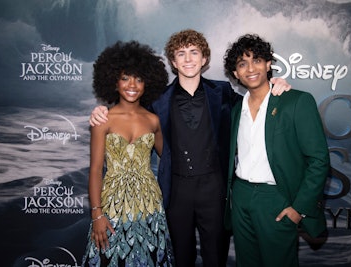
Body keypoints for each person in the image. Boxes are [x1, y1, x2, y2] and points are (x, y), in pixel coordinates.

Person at [89, 29, 291, 267]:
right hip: (176, 192)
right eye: (181, 54)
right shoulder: (158, 100)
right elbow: (129, 108)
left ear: (204, 59)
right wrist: (101, 109)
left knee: (215, 259)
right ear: (173, 62)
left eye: (194, 52)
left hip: (214, 191)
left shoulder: (224, 92)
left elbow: (255, 102)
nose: (188, 59)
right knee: (180, 259)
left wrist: (275, 82)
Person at [223, 34, 330, 267]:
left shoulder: (296, 101)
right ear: (235, 73)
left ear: (268, 64)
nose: (251, 68)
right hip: (240, 197)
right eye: (242, 64)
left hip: (275, 199)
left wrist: (298, 209)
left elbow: (319, 160)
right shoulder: (234, 109)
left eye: (257, 60)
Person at [82, 41, 174, 267]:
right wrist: (97, 215)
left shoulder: (154, 120)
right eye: (125, 78)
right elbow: (95, 170)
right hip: (112, 205)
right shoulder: (103, 120)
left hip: (149, 204)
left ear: (147, 83)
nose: (132, 85)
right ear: (113, 81)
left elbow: (171, 160)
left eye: (139, 79)